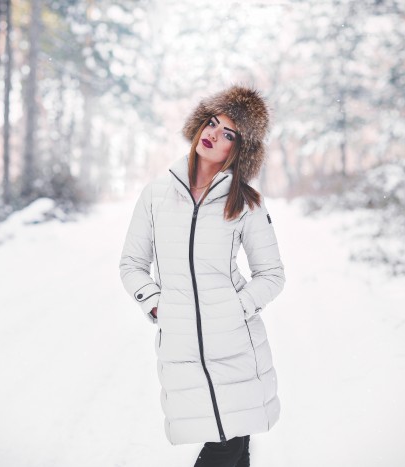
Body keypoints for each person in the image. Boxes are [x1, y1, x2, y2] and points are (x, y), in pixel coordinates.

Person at [119, 85, 286, 467]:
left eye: (229, 134)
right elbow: (131, 263)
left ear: (239, 149)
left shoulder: (245, 201)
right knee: (229, 446)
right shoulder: (156, 195)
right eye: (211, 123)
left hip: (235, 345)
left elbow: (271, 274)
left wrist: (236, 309)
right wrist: (157, 305)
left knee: (229, 445)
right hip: (182, 346)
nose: (213, 134)